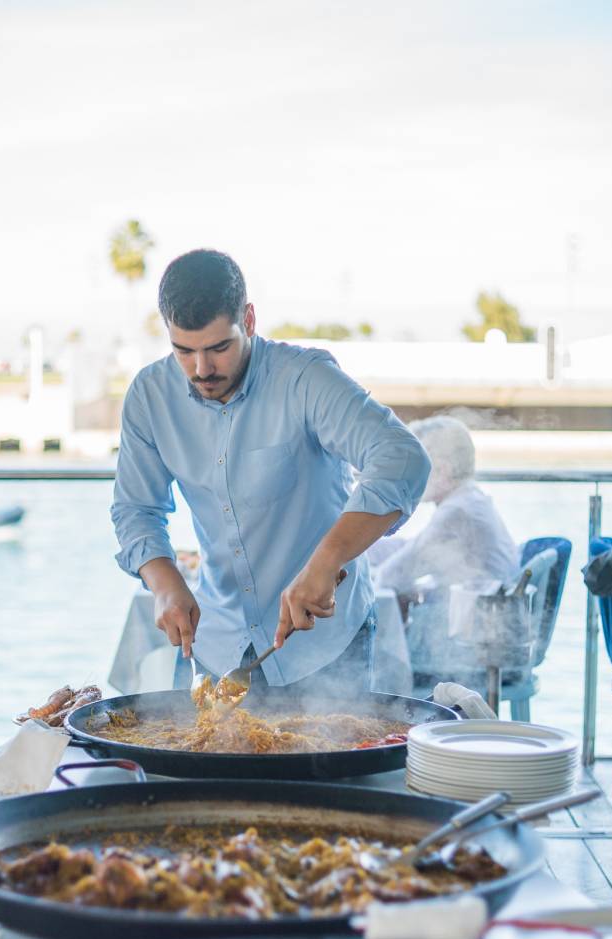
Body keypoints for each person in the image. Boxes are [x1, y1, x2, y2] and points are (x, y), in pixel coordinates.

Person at [111, 249, 430, 696]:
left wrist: (325, 563)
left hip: (322, 647)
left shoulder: (304, 379)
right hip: (214, 644)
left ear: (250, 320)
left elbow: (402, 458)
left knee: (326, 762)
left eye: (219, 348)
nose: (202, 370)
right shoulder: (150, 395)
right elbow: (135, 508)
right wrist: (164, 584)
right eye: (184, 351)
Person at [370, 416, 518, 599]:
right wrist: (359, 547)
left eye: (415, 465)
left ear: (443, 469)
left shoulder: (457, 512)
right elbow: (413, 548)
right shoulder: (471, 500)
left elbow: (393, 575)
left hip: (474, 619)